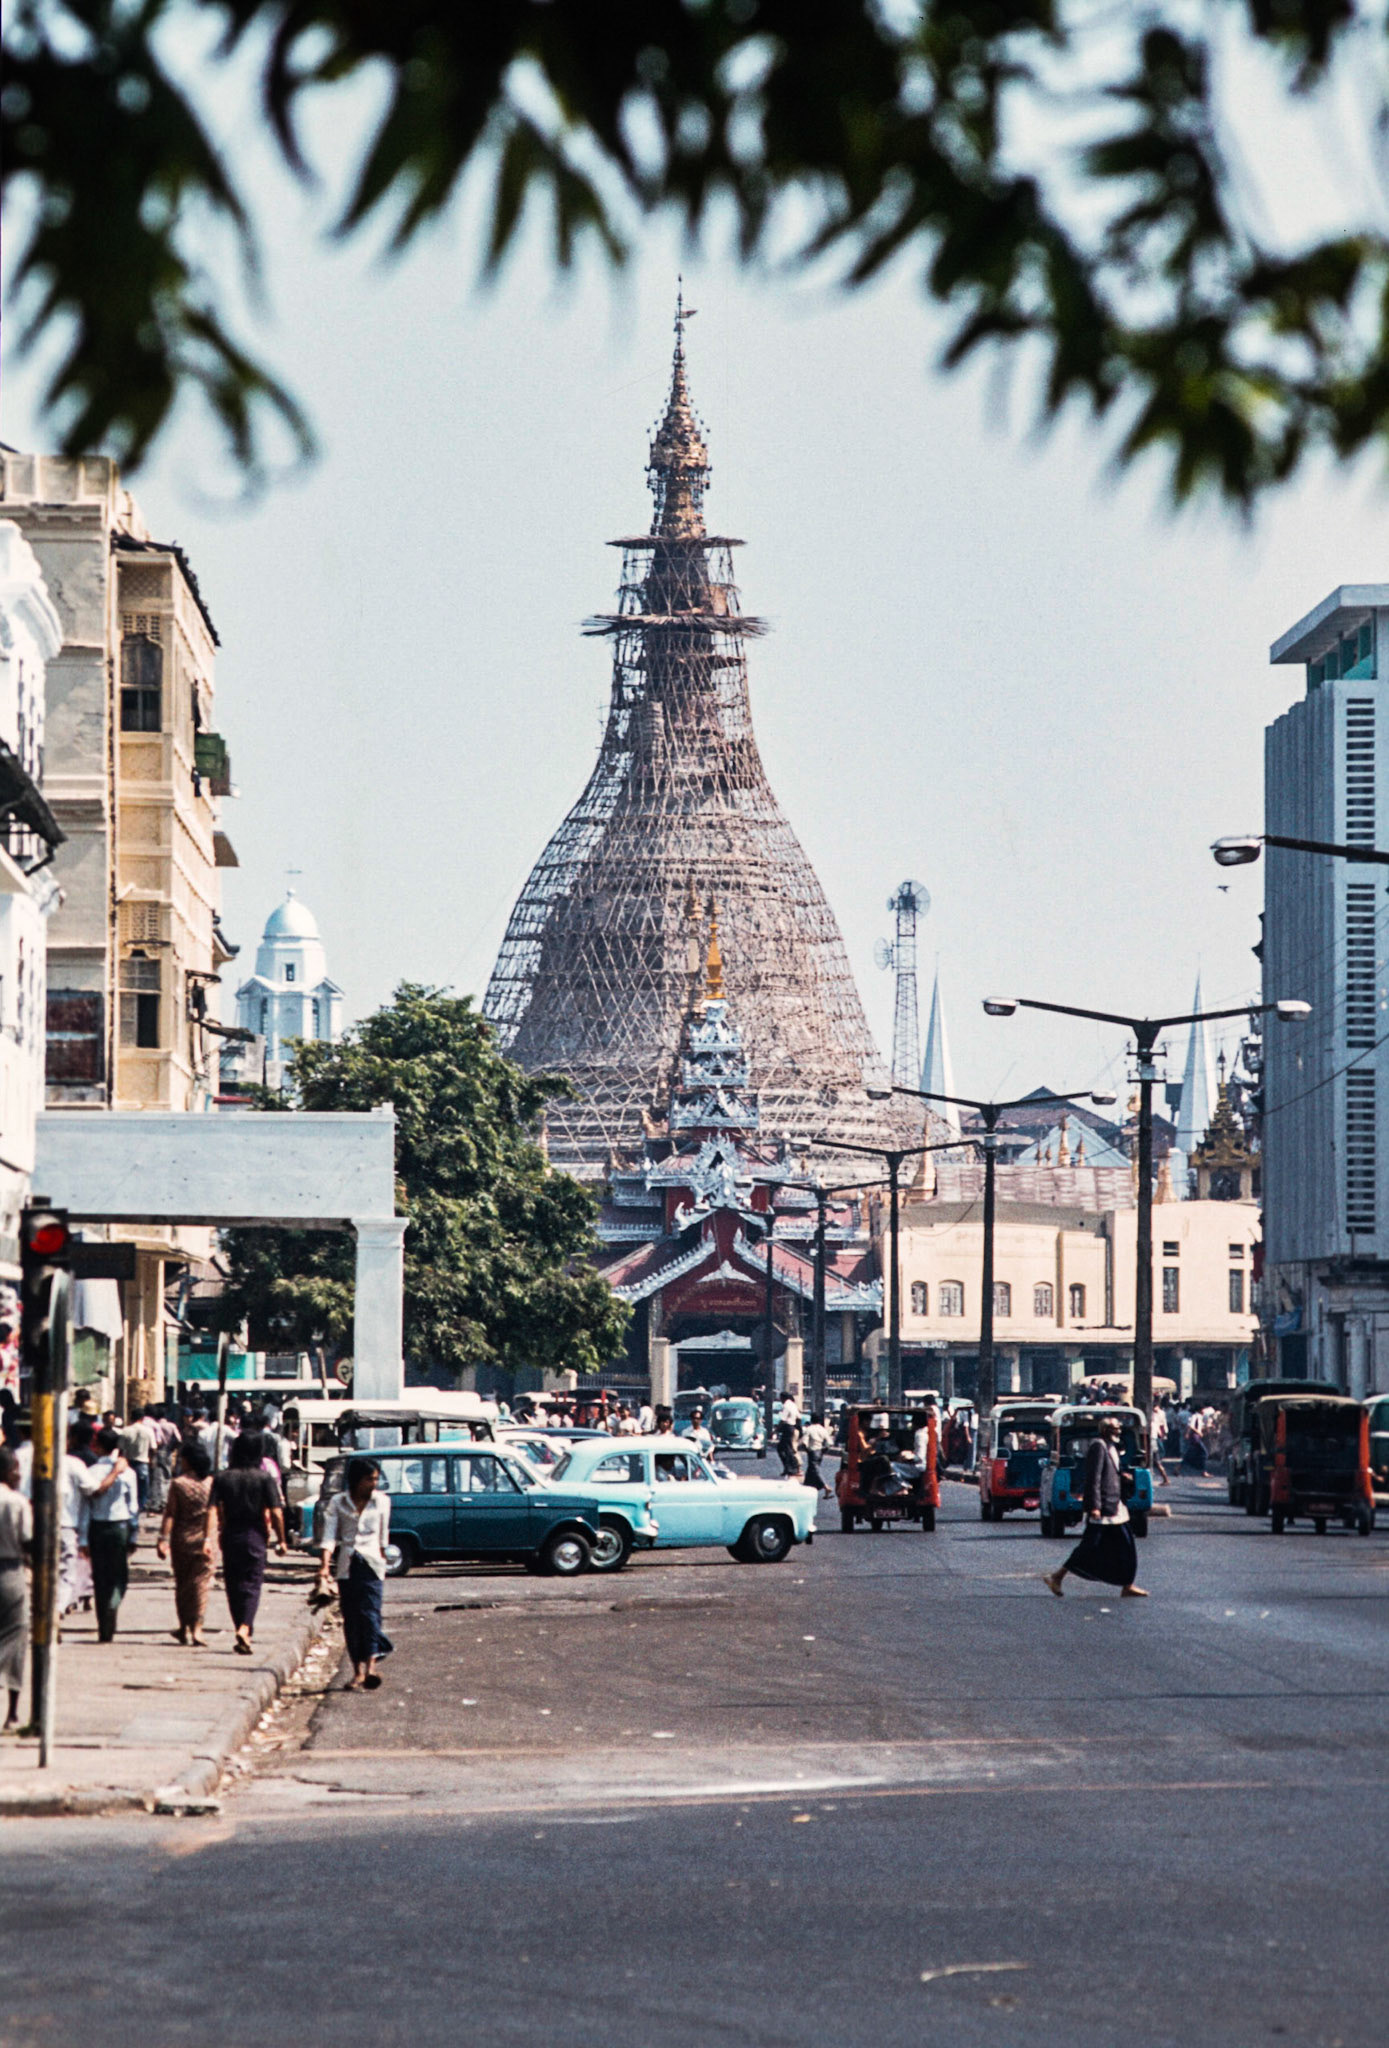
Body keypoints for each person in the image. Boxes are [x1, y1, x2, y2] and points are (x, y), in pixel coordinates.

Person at [1044, 1416, 1147, 1599]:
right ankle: (1056, 1577)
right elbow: (1094, 1478)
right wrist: (1095, 1506)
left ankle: (1127, 1585)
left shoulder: (1112, 1447)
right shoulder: (1098, 1446)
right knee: (1089, 1546)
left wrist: (1122, 1477)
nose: (1119, 1431)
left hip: (1116, 1506)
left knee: (1127, 1545)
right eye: (1115, 1428)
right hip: (1104, 1507)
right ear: (1105, 1430)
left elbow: (1109, 1472)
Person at [317, 1457, 393, 1691]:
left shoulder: (382, 1502)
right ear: (356, 1480)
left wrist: (384, 1562)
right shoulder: (338, 1502)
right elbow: (329, 1537)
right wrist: (324, 1567)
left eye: (376, 1479)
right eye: (369, 1479)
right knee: (352, 1619)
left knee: (370, 1616)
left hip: (372, 1566)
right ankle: (357, 1671)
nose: (373, 1484)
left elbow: (383, 1537)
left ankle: (371, 1668)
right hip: (347, 1566)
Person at [212, 1431, 286, 1654]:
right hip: (255, 1534)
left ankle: (240, 1627)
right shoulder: (264, 1478)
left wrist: (212, 1535)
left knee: (233, 1584)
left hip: (230, 1534)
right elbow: (276, 1512)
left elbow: (214, 1509)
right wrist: (282, 1539)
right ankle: (245, 1627)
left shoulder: (223, 1477)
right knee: (252, 1583)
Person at [80, 1428, 140, 1641]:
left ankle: (103, 1628)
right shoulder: (128, 1473)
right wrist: (134, 1535)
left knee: (100, 1577)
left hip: (96, 1527)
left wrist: (83, 1538)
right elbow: (133, 1507)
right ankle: (114, 1603)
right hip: (119, 1527)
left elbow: (85, 1508)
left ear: (98, 1446)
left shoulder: (91, 1471)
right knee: (119, 1575)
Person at [157, 1438, 217, 1646]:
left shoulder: (179, 1484)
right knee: (201, 1584)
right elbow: (217, 1512)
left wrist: (162, 1538)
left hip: (182, 1539)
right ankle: (197, 1627)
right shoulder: (211, 1483)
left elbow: (170, 1514)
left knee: (182, 1584)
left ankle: (183, 1626)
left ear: (188, 1460)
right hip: (206, 1540)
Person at [0, 1446, 32, 1731]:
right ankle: (11, 1712)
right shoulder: (16, 1501)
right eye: (16, 1470)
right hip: (9, 1571)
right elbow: (27, 1539)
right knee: (16, 1635)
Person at [802, 1412, 833, 1497]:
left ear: (811, 1420)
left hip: (812, 1451)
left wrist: (807, 1450)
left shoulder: (809, 1429)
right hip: (820, 1452)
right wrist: (823, 1451)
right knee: (811, 1471)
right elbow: (830, 1443)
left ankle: (826, 1487)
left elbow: (804, 1442)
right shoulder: (823, 1429)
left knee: (815, 1470)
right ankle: (806, 1488)